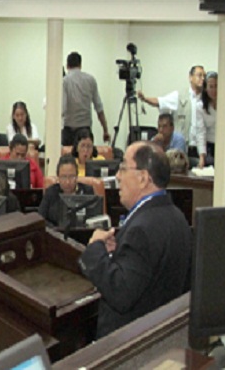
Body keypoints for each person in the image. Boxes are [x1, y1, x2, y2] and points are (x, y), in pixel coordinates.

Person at [79, 142, 192, 339]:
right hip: (164, 336)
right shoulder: (177, 217)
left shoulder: (142, 229)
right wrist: (115, 255)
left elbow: (121, 294)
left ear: (143, 178)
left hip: (130, 343)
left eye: (123, 167)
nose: (117, 176)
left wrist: (95, 250)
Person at [138, 65, 205, 159]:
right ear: (190, 77)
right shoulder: (179, 96)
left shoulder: (206, 98)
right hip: (182, 147)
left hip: (201, 149)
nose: (203, 78)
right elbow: (160, 101)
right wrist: (145, 99)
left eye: (204, 76)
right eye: (199, 75)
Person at [62, 52, 110, 146]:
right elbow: (99, 108)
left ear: (67, 66)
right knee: (86, 154)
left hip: (68, 130)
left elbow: (62, 108)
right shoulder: (90, 80)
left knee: (68, 154)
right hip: (85, 130)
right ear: (80, 65)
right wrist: (105, 130)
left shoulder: (64, 81)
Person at [38, 155, 95, 227]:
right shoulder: (51, 192)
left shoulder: (87, 191)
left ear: (77, 176)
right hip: (55, 232)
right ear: (58, 177)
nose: (68, 182)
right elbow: (40, 218)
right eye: (63, 177)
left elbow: (94, 219)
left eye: (72, 176)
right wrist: (54, 229)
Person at [198, 71, 217, 167]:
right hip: (209, 145)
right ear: (205, 88)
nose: (214, 90)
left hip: (223, 144)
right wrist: (202, 157)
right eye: (211, 87)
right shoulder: (200, 107)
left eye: (216, 86)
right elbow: (201, 132)